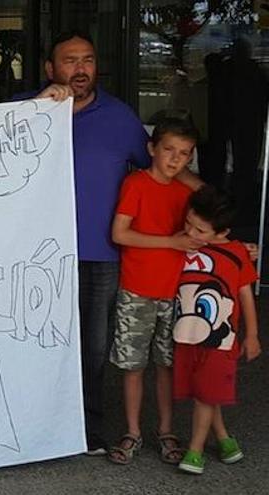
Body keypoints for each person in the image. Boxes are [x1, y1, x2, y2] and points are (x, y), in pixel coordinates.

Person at [16, 31, 203, 456]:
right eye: (69, 61)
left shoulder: (119, 118)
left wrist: (214, 209)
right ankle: (29, 427)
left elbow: (165, 168)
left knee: (94, 348)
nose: (79, 69)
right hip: (34, 255)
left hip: (100, 257)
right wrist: (39, 105)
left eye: (87, 60)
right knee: (33, 339)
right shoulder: (27, 109)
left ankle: (87, 428)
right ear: (50, 68)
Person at [106, 118, 203, 465]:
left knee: (167, 365)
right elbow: (120, 234)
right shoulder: (136, 184)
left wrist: (238, 248)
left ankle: (166, 430)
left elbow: (211, 225)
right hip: (136, 291)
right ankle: (132, 431)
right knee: (133, 366)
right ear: (151, 149)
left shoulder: (188, 192)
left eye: (185, 154)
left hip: (175, 293)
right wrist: (170, 242)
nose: (176, 160)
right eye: (169, 151)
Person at [173, 186, 260, 474]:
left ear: (221, 233)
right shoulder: (181, 244)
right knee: (205, 391)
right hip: (186, 335)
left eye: (200, 230)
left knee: (206, 394)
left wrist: (252, 335)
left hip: (222, 340)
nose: (191, 233)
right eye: (188, 223)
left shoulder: (236, 253)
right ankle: (223, 438)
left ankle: (195, 450)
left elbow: (245, 294)